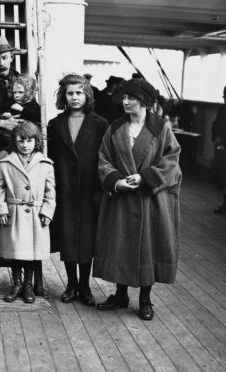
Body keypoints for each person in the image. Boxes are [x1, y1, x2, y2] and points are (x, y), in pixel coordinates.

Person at [93, 78, 181, 321]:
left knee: (147, 247)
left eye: (131, 97)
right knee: (121, 244)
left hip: (149, 200)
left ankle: (145, 299)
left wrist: (145, 178)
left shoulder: (161, 128)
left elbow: (172, 159)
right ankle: (120, 295)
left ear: (145, 101)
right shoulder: (114, 128)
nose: (125, 101)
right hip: (122, 198)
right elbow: (103, 159)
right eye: (123, 97)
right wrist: (115, 181)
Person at [47, 74, 108, 306]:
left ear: (87, 95)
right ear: (64, 96)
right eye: (70, 93)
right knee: (68, 238)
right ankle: (71, 284)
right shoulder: (55, 124)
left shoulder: (100, 124)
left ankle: (85, 286)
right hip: (64, 188)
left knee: (86, 239)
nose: (74, 97)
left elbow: (105, 157)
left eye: (79, 93)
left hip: (89, 190)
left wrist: (100, 189)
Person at [0, 121, 56, 303]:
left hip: (36, 214)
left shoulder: (45, 164)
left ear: (36, 142)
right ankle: (17, 283)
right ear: (15, 142)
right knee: (15, 250)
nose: (25, 145)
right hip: (15, 213)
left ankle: (29, 284)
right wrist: (1, 210)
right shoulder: (5, 164)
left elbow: (50, 191)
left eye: (29, 141)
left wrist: (47, 211)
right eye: (21, 141)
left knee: (31, 251)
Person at [211, 86, 226, 213]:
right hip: (222, 148)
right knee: (223, 176)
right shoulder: (222, 110)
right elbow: (215, 125)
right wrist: (216, 137)